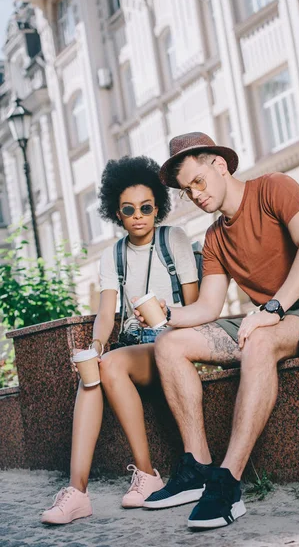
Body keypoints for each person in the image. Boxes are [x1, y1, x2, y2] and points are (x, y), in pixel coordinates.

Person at [136, 132, 299, 529]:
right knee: (169, 345)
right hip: (273, 316)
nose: (195, 195)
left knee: (261, 339)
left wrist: (272, 308)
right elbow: (208, 307)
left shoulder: (273, 187)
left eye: (198, 181)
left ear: (219, 165)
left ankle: (228, 480)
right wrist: (166, 315)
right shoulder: (215, 237)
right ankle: (198, 466)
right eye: (186, 191)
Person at [41, 156, 199, 525]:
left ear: (158, 207)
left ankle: (146, 474)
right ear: (117, 213)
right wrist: (96, 345)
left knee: (110, 363)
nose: (139, 215)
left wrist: (167, 314)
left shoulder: (173, 238)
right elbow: (106, 310)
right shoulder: (113, 254)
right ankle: (77, 493)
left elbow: (194, 306)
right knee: (92, 375)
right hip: (132, 348)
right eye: (129, 210)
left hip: (174, 341)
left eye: (147, 207)